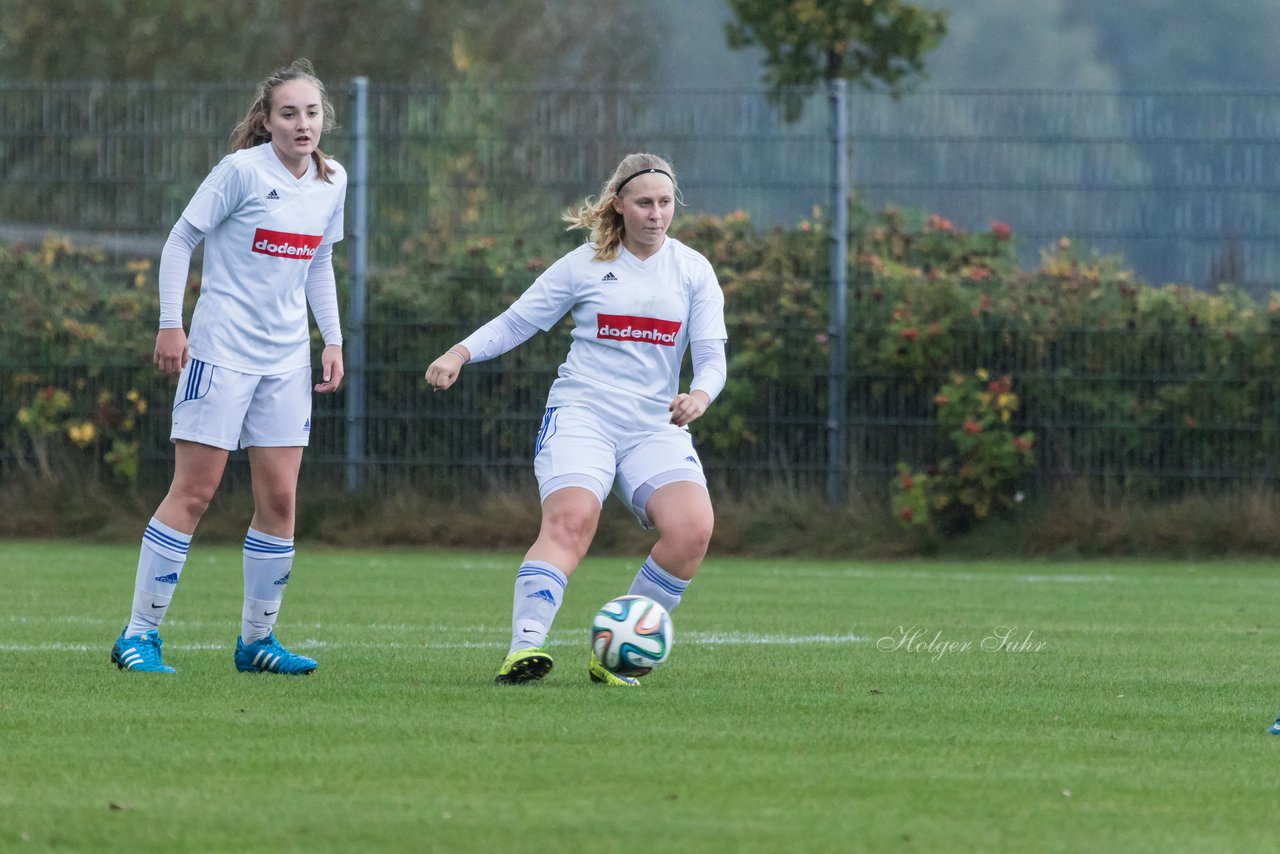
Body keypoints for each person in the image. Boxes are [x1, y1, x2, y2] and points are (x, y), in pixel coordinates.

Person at [425, 153, 728, 686]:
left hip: (654, 425)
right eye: (644, 203)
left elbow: (711, 356)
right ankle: (524, 649)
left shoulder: (692, 269)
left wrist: (699, 395)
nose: (656, 214)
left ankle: (615, 648)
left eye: (664, 203)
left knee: (693, 531)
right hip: (583, 412)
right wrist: (459, 353)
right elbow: (517, 321)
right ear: (619, 204)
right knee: (571, 522)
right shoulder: (584, 263)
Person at [109, 59, 347, 675]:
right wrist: (171, 323)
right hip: (219, 354)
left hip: (286, 361)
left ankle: (256, 643)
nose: (302, 124)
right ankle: (138, 635)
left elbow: (318, 262)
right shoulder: (240, 172)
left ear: (325, 119)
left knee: (280, 499)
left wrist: (333, 339)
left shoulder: (331, 180)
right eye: (288, 113)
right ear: (266, 120)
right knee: (195, 491)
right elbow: (179, 242)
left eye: (312, 112)